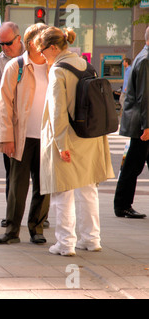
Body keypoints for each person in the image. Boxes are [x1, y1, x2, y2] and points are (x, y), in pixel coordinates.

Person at [34, 27, 114, 256]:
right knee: (88, 188)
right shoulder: (86, 65)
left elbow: (57, 111)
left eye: (42, 50)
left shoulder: (58, 70)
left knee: (62, 191)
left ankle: (65, 243)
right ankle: (91, 238)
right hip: (89, 135)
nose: (41, 55)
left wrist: (60, 145)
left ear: (53, 48)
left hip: (68, 136)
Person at [0, 23, 50, 245]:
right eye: (42, 41)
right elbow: (4, 104)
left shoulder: (53, 67)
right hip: (21, 136)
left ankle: (36, 228)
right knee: (17, 186)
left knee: (43, 185)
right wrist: (6, 137)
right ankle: (12, 230)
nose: (46, 45)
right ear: (30, 43)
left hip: (46, 136)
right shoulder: (15, 67)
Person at [0, 22, 25, 227]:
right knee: (11, 171)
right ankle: (11, 214)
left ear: (19, 39)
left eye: (8, 43)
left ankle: (38, 217)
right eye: (1, 44)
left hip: (32, 123)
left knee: (36, 171)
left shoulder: (34, 57)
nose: (4, 47)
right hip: (9, 124)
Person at [113, 26, 149, 219]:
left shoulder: (143, 57)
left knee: (133, 165)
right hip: (141, 125)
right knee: (133, 166)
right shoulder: (145, 60)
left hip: (141, 123)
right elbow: (145, 96)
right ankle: (122, 205)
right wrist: (147, 125)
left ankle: (122, 204)